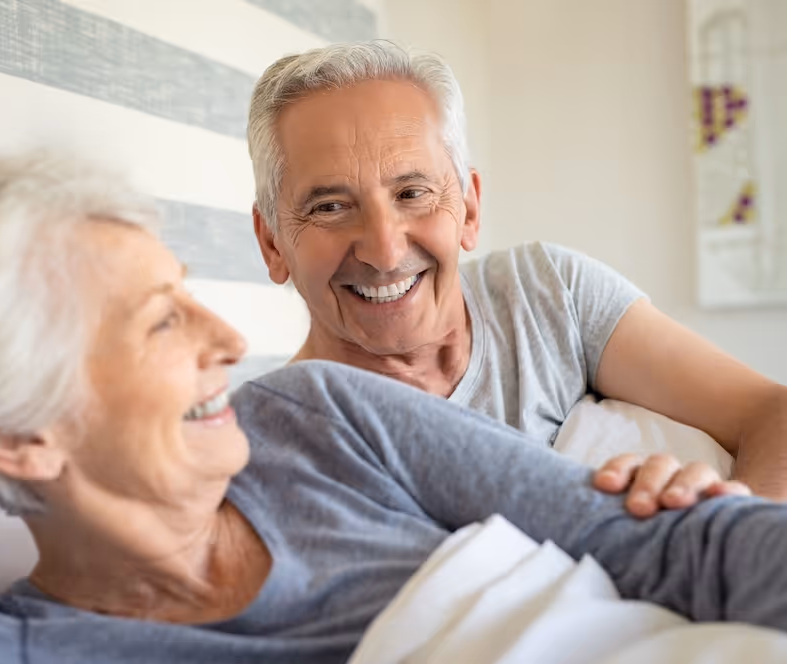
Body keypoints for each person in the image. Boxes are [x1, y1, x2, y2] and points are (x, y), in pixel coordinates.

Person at [0, 153, 776, 664]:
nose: (224, 336)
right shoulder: (17, 650)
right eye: (159, 322)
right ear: (19, 435)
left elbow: (682, 550)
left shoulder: (322, 414)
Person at [246, 41, 787, 501]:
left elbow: (771, 413)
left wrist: (734, 542)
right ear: (272, 243)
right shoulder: (264, 444)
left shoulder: (547, 293)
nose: (385, 252)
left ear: (470, 209)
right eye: (330, 207)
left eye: (413, 193)